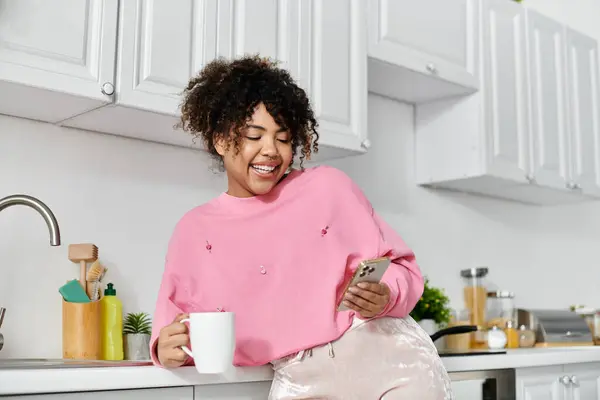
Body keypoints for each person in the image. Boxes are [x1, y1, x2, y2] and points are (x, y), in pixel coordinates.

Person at [150, 55, 453, 399]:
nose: (271, 151)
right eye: (254, 135)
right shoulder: (193, 231)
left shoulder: (329, 188)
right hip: (301, 379)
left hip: (395, 365)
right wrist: (165, 348)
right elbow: (171, 327)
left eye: (282, 138)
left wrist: (384, 295)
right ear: (220, 140)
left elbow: (403, 270)